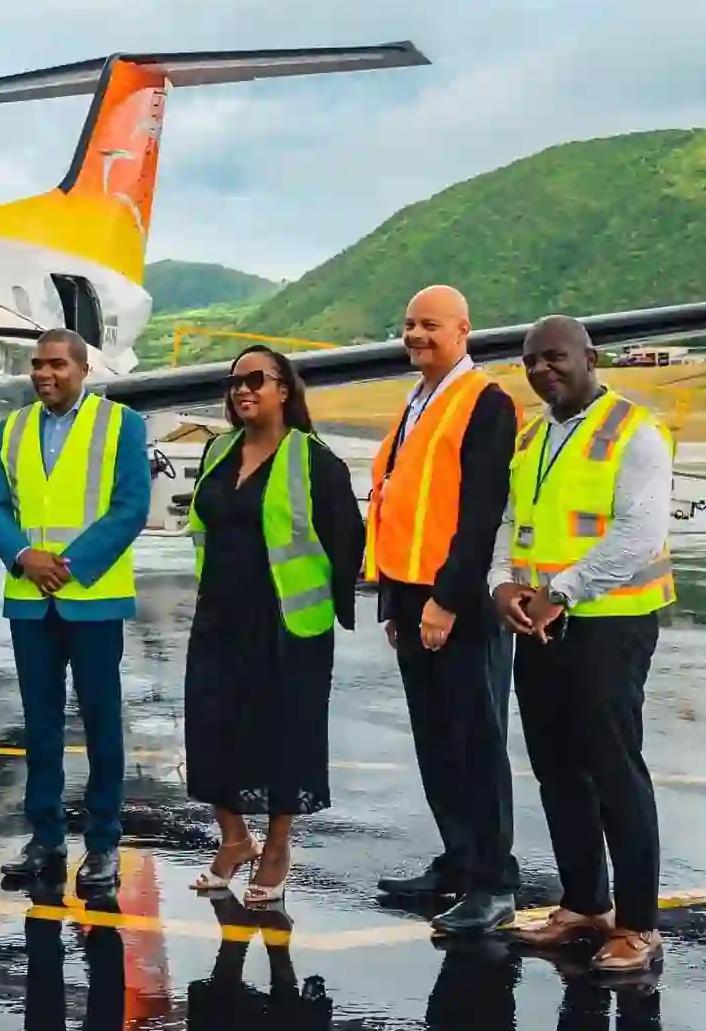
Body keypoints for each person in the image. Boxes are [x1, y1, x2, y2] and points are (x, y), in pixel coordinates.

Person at [493, 316, 674, 973]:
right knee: (557, 768)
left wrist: (564, 589)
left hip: (609, 624)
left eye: (555, 357)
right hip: (539, 622)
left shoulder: (635, 432)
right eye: (531, 361)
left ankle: (638, 925)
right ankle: (583, 904)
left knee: (614, 770)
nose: (543, 369)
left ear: (589, 357)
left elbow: (639, 533)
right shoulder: (534, 435)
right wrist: (500, 585)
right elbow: (513, 522)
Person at [182, 346, 365, 903]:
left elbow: (348, 539)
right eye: (234, 380)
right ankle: (234, 837)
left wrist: (331, 605)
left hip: (288, 622)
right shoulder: (217, 451)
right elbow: (202, 525)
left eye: (256, 380)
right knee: (210, 727)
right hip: (219, 615)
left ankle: (279, 846)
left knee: (285, 738)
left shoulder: (314, 460)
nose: (243, 389)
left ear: (284, 389)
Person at [367, 285, 523, 935]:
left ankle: (493, 882)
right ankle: (458, 862)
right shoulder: (418, 400)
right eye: (408, 324)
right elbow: (403, 504)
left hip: (457, 605)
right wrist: (396, 601)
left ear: (464, 328)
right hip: (414, 598)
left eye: (429, 324)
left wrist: (445, 600)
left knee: (474, 742)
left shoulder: (485, 402)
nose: (415, 335)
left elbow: (480, 514)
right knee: (436, 740)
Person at [0, 328, 152, 892]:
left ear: (83, 369)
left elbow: (130, 507)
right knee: (41, 725)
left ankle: (103, 842)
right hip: (31, 599)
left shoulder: (122, 424)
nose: (44, 374)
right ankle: (46, 835)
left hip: (93, 598)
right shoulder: (12, 428)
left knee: (103, 725)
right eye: (37, 365)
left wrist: (72, 565)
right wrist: (23, 554)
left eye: (56, 364)